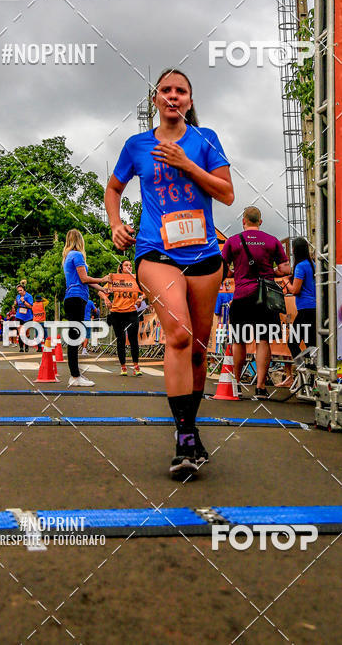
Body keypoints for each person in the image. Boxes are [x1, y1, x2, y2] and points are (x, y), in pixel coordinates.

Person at [105, 68, 234, 477]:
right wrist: (115, 223)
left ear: (190, 101)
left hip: (204, 255)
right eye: (166, 90)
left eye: (181, 91)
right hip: (155, 252)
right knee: (177, 334)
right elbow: (113, 188)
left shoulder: (205, 139)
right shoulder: (136, 145)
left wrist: (187, 165)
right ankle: (182, 439)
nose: (173, 96)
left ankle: (192, 430)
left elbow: (227, 194)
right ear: (156, 100)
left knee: (196, 348)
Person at [222, 207, 291, 399]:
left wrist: (235, 274)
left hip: (242, 296)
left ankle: (235, 384)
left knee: (239, 340)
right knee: (263, 340)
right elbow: (285, 268)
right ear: (260, 221)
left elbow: (222, 268)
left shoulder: (232, 241)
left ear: (243, 221)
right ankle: (260, 386)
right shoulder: (272, 241)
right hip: (265, 297)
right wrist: (272, 272)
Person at [62, 228, 110, 387]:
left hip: (73, 297)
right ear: (80, 240)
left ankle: (75, 374)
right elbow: (84, 278)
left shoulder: (68, 256)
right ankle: (75, 376)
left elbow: (84, 279)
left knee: (75, 336)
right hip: (76, 298)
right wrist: (102, 279)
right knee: (75, 337)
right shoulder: (77, 255)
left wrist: (101, 288)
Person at [278, 237, 317, 385]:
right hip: (313, 308)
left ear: (295, 250)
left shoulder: (300, 266)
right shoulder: (312, 264)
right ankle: (313, 375)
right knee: (310, 344)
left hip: (305, 309)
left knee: (292, 342)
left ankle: (303, 369)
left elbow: (295, 290)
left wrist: (286, 282)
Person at [106, 260, 143, 376]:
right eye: (126, 265)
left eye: (131, 265)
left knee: (133, 340)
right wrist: (106, 299)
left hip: (131, 312)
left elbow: (147, 290)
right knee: (121, 340)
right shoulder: (115, 278)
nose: (129, 267)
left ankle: (136, 367)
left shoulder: (136, 279)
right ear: (121, 268)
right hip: (116, 312)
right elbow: (102, 291)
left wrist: (141, 298)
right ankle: (123, 367)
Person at [15, 283, 34, 352]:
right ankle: (21, 348)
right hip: (19, 315)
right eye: (18, 291)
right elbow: (17, 302)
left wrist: (23, 301)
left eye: (21, 290)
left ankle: (26, 346)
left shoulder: (29, 296)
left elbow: (30, 306)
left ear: (24, 290)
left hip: (28, 316)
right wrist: (15, 303)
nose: (19, 292)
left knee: (27, 333)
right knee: (21, 332)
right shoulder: (18, 296)